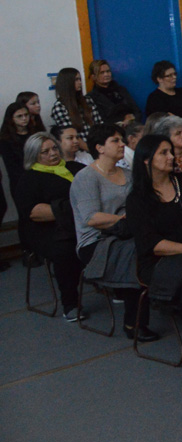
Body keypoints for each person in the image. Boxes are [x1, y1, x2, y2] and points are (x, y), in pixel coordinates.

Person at [70, 124, 151, 340]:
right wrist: (128, 219)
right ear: (99, 148)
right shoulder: (87, 177)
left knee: (152, 244)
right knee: (137, 253)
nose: (122, 144)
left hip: (126, 233)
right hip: (96, 242)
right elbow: (92, 218)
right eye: (115, 140)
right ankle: (134, 323)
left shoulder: (128, 174)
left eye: (121, 140)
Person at [125, 134, 182, 320]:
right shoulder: (137, 199)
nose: (171, 157)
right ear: (146, 160)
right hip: (161, 261)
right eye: (164, 153)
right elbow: (152, 245)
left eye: (171, 152)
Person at [17, 132, 87, 320]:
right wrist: (75, 208)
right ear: (34, 156)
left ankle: (118, 287)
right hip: (48, 230)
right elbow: (35, 213)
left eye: (54, 148)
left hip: (81, 222)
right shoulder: (29, 179)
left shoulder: (74, 168)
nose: (53, 153)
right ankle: (70, 303)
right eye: (45, 152)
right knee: (65, 249)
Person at [86, 59, 141, 124]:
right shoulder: (91, 97)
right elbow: (100, 120)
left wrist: (133, 118)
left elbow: (137, 111)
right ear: (93, 77)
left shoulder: (121, 90)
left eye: (108, 71)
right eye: (102, 72)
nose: (106, 74)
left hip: (132, 126)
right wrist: (122, 122)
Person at [51, 67, 102, 134]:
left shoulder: (88, 100)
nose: (80, 82)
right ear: (67, 82)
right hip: (77, 140)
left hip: (96, 138)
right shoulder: (59, 107)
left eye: (80, 79)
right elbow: (69, 133)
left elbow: (99, 123)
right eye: (76, 80)